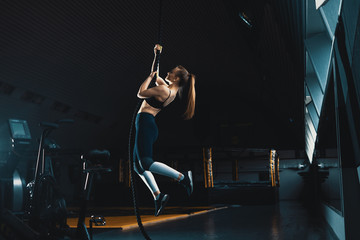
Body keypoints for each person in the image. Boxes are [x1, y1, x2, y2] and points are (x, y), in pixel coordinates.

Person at [133, 44, 196, 216]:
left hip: (145, 123)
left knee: (145, 163)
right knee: (138, 167)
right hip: (146, 124)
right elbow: (157, 74)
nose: (168, 72)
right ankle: (158, 196)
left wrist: (149, 76)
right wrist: (156, 55)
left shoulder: (163, 89)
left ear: (175, 79)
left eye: (172, 72)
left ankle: (182, 177)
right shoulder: (170, 91)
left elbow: (141, 93)